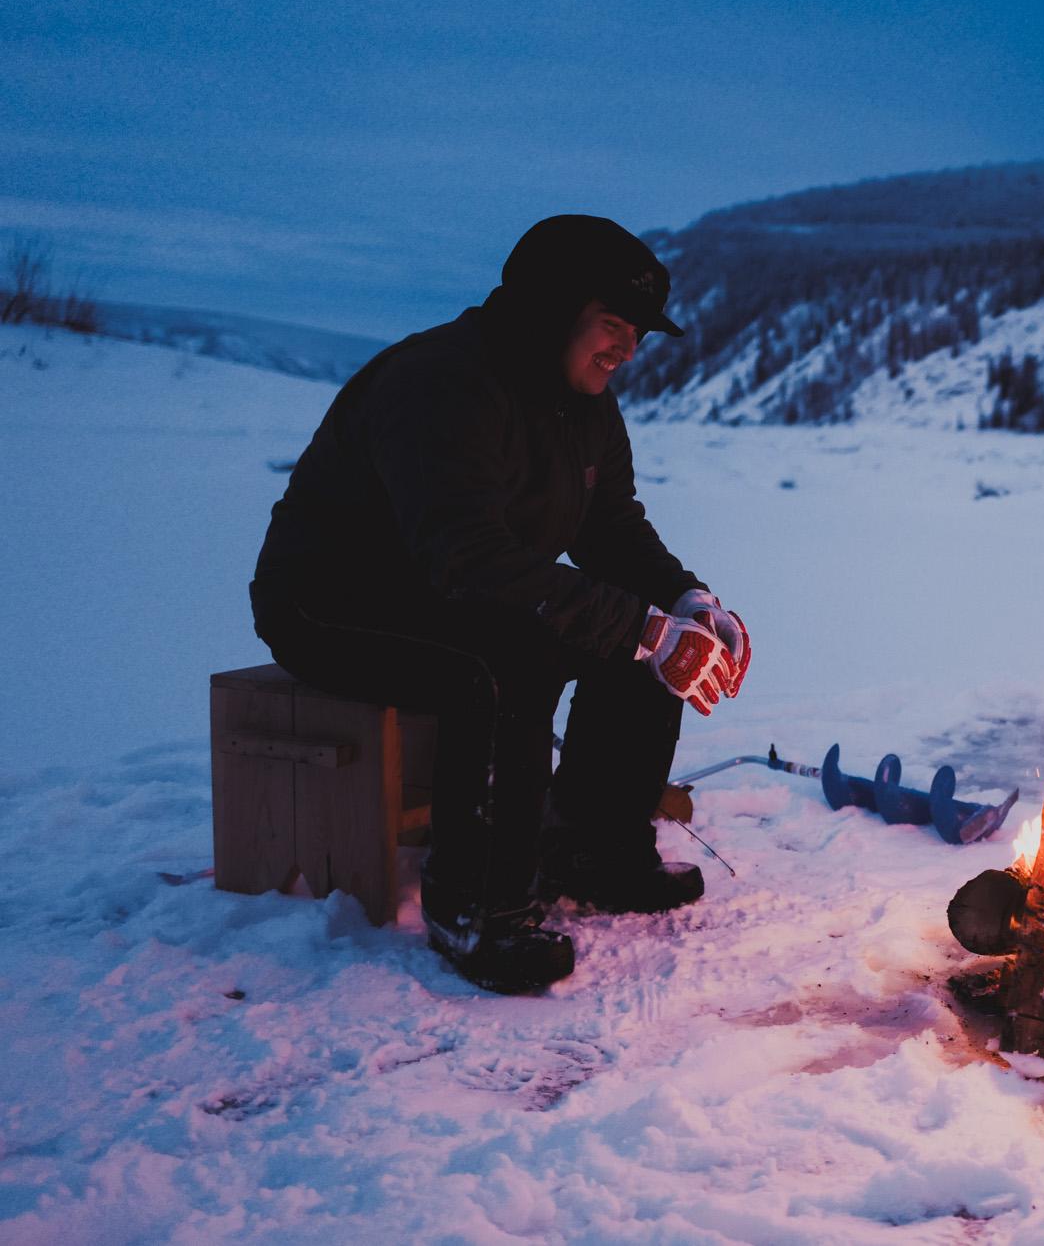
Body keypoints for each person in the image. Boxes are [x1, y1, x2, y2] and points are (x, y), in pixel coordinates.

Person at [250, 215, 751, 992]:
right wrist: (643, 626)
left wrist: (686, 602)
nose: (627, 348)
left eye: (638, 333)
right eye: (612, 324)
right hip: (330, 601)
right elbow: (465, 556)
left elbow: (610, 528)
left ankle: (593, 848)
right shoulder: (443, 384)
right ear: (552, 308)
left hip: (457, 588)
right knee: (506, 661)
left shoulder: (584, 402)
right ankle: (474, 903)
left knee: (632, 638)